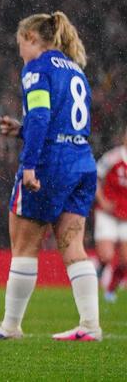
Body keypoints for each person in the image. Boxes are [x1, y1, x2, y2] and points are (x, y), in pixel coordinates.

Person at [0, 11, 102, 341]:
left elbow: (42, 115)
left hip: (51, 163)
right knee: (73, 246)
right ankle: (90, 326)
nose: (19, 52)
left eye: (20, 44)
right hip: (81, 160)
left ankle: (10, 327)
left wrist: (30, 164)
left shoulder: (37, 68)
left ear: (32, 38)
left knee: (24, 247)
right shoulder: (75, 69)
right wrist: (23, 131)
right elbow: (64, 121)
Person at [94, 129, 127, 302]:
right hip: (108, 214)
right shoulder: (113, 157)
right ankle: (97, 271)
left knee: (125, 261)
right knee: (106, 256)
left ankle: (110, 290)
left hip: (125, 216)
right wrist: (103, 201)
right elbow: (95, 177)